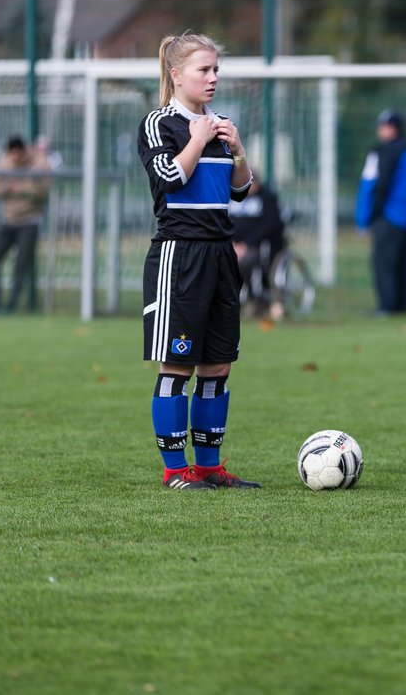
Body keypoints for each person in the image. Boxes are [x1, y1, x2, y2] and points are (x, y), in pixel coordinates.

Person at [138, 32, 260, 491]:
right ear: (176, 75)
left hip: (220, 256)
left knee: (218, 365)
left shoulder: (220, 123)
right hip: (179, 255)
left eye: (216, 71)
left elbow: (241, 189)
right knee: (177, 364)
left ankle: (209, 467)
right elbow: (170, 176)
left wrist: (238, 148)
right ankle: (176, 471)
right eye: (203, 70)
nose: (212, 79)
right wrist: (197, 138)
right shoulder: (160, 124)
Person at [355, 109, 406, 316]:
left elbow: (369, 186)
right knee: (402, 263)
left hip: (387, 216)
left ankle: (387, 306)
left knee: (383, 264)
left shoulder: (379, 153)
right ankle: (402, 305)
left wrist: (363, 219)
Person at [0, 135, 51, 314]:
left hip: (30, 220)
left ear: (23, 151)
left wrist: (23, 188)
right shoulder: (4, 164)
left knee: (20, 264)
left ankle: (11, 305)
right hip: (9, 219)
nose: (14, 159)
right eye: (11, 155)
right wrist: (8, 188)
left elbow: (44, 191)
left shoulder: (39, 163)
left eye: (17, 155)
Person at [230, 174, 286, 319]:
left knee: (246, 262)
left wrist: (246, 244)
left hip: (257, 246)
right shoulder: (232, 196)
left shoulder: (267, 198)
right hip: (232, 245)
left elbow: (271, 225)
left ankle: (257, 299)